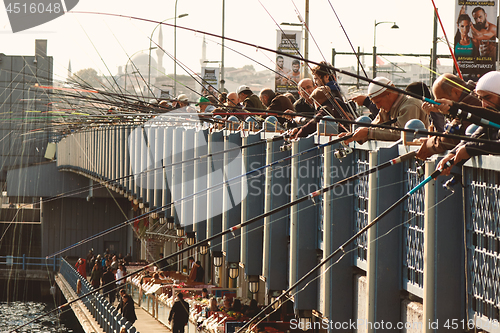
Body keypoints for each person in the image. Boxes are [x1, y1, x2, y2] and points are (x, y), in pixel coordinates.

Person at [432, 71, 500, 175]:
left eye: (487, 98)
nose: (484, 104)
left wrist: (470, 149)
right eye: (480, 99)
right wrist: (452, 154)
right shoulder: (491, 120)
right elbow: (475, 136)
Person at [340, 77, 429, 144]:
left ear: (389, 94)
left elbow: (401, 135)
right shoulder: (387, 107)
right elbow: (373, 127)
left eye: (378, 102)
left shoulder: (410, 104)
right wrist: (353, 136)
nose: (378, 107)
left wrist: (368, 133)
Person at [416, 73, 480, 160]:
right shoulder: (470, 95)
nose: (440, 104)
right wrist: (443, 111)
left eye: (442, 100)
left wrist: (429, 144)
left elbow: (452, 138)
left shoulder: (473, 101)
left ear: (455, 92)